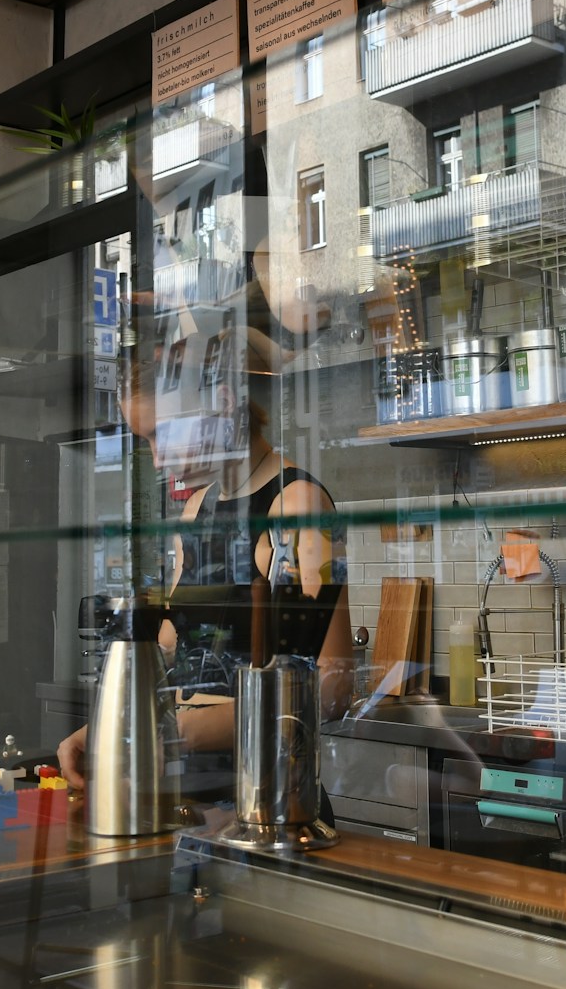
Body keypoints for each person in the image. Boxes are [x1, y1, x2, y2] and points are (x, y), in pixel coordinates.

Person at [56, 332, 352, 791]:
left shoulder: (295, 505)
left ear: (223, 401)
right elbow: (174, 653)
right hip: (186, 790)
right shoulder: (196, 512)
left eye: (163, 435)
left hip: (264, 797)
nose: (157, 460)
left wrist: (177, 734)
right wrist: (108, 729)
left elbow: (329, 690)